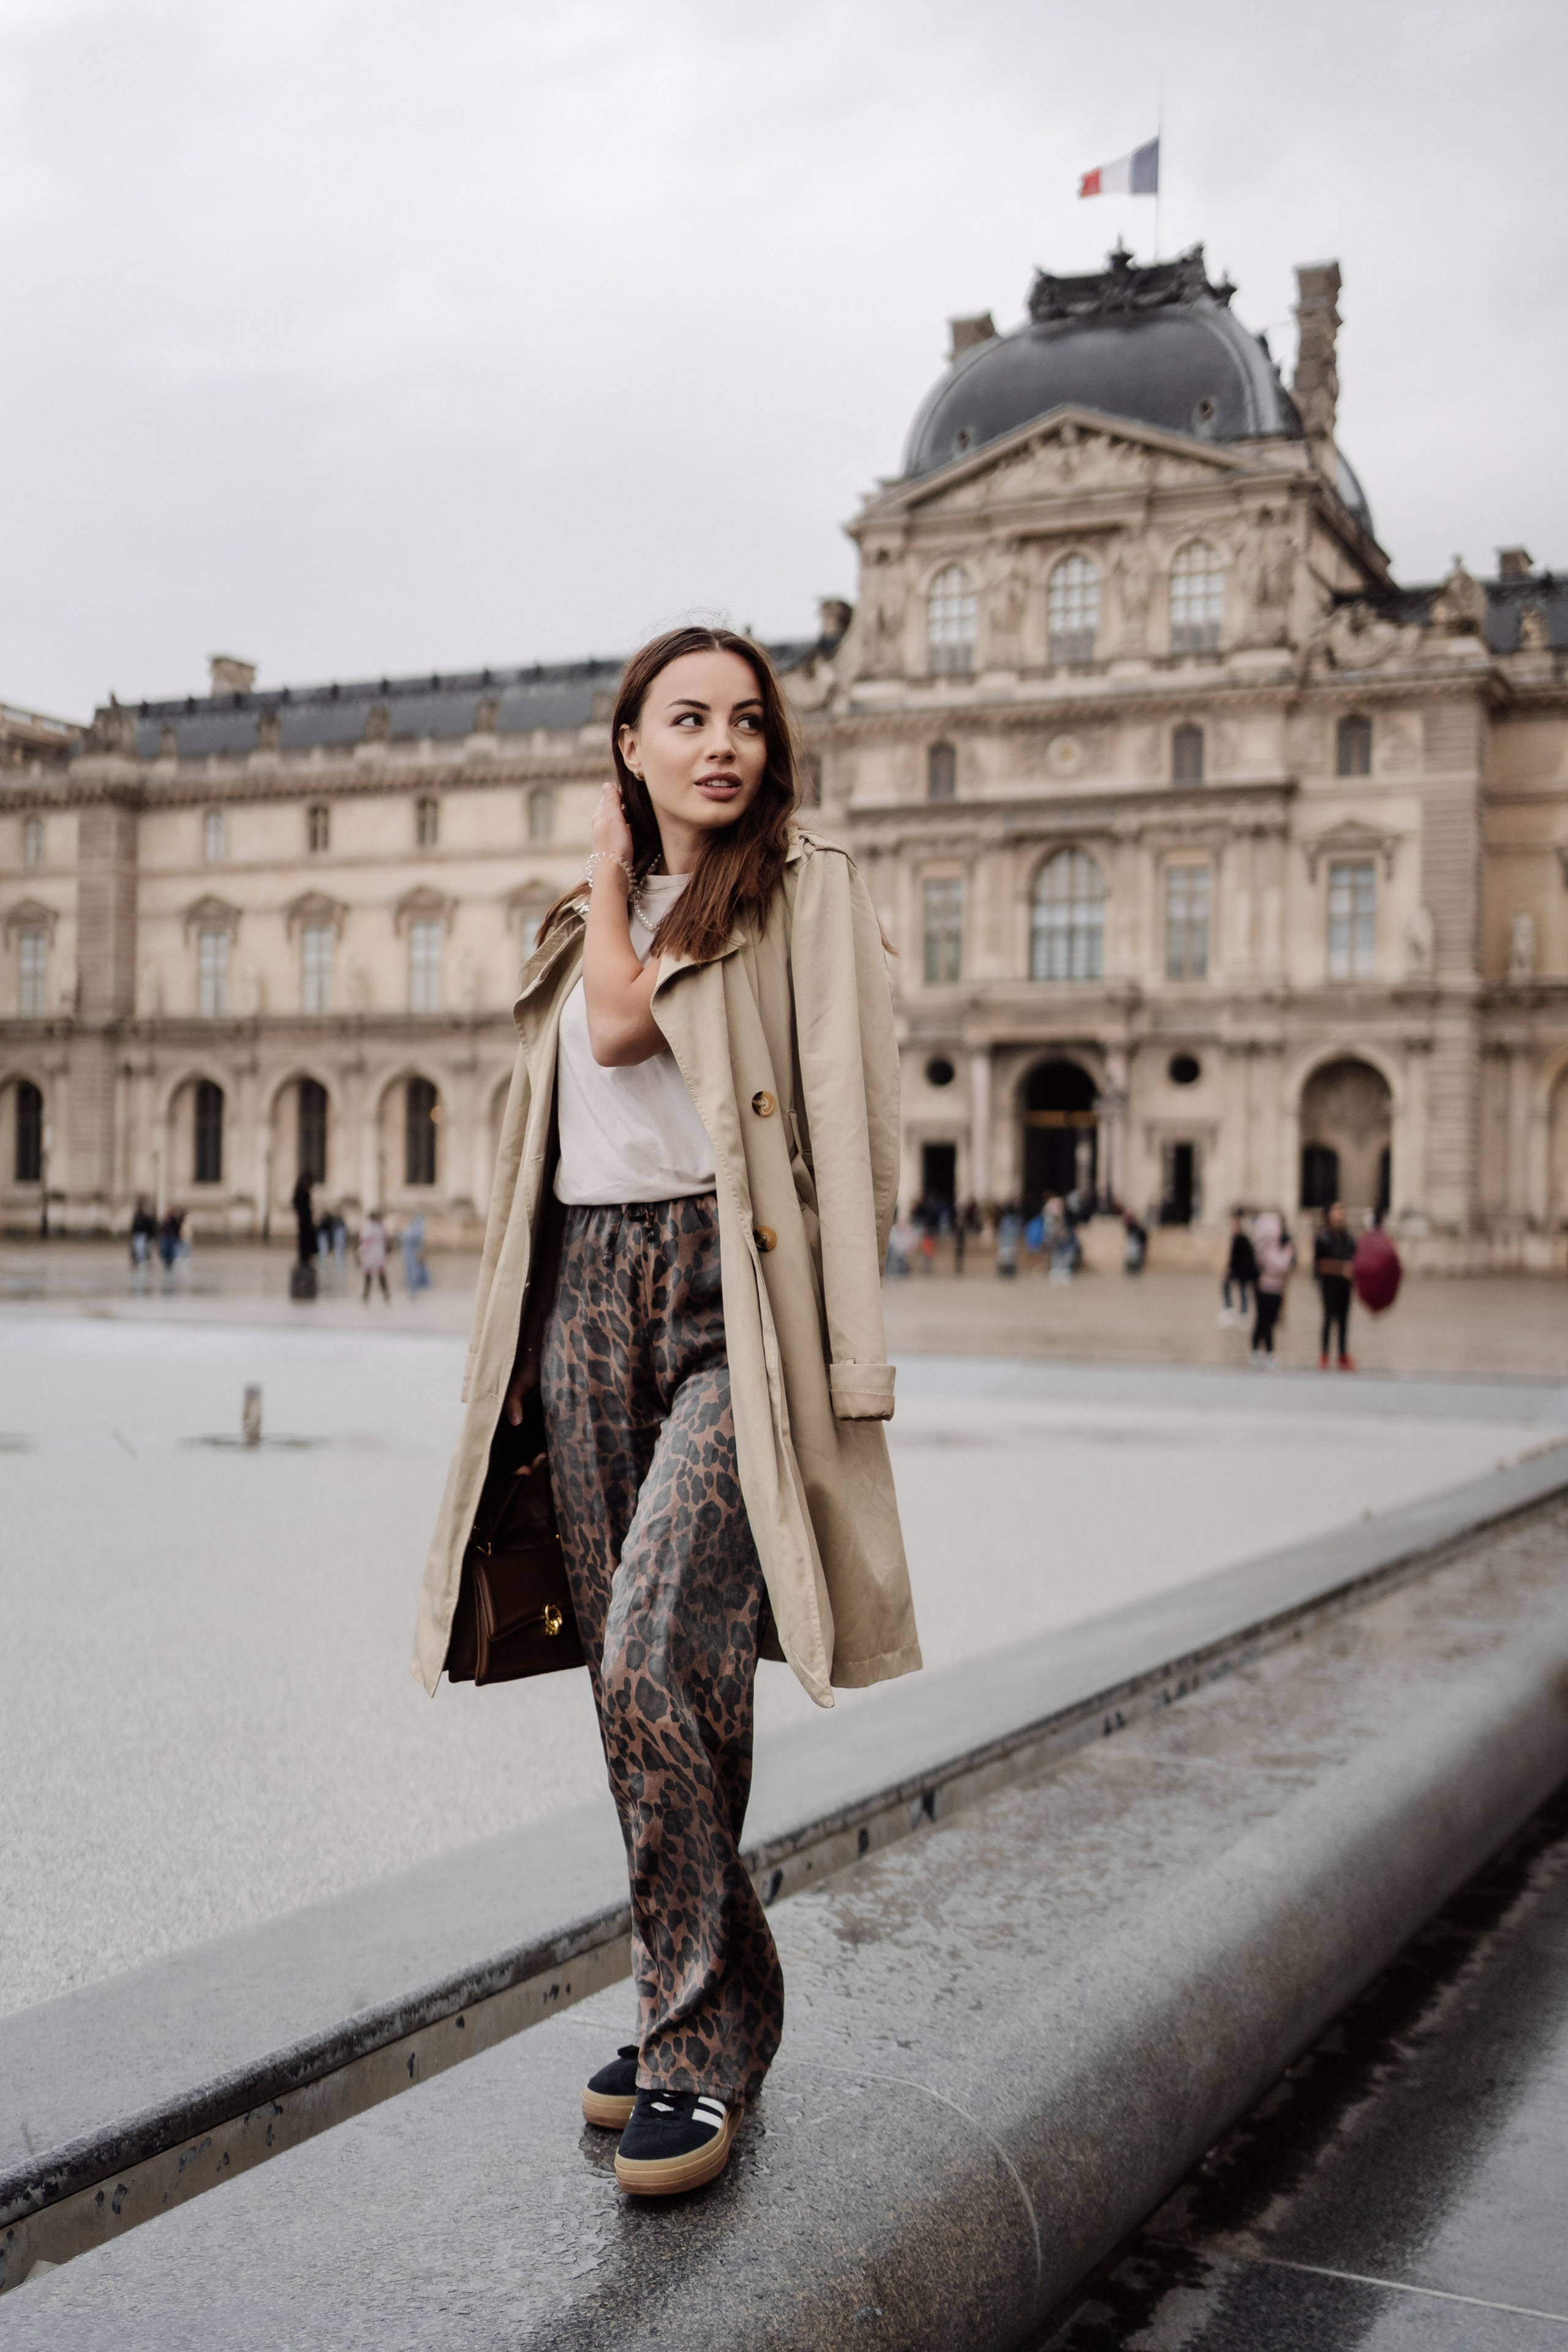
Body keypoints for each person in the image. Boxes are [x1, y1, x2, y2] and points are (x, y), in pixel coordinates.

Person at [412, 625, 919, 2200]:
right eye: (686, 718)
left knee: (644, 1641)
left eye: (747, 722)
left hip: (728, 1294)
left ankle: (709, 2027)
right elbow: (550, 1126)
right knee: (661, 1681)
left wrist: (851, 1361)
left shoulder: (796, 885)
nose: (723, 745)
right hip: (585, 1296)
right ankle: (675, 2002)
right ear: (627, 737)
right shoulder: (581, 918)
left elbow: (825, 1097)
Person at [1314, 1200, 1358, 1370]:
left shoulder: (1348, 1237)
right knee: (1328, 1318)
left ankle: (1342, 1354)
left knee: (1344, 1320)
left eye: (1342, 1211)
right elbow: (1320, 1264)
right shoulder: (1323, 1238)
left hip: (1345, 1285)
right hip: (1329, 1284)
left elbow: (1354, 1258)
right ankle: (1324, 1354)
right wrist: (1342, 1269)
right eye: (1337, 1211)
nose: (1340, 1214)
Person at [1251, 1210, 1295, 1365]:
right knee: (1263, 1320)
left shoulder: (1281, 1246)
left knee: (1271, 1321)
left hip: (1277, 1288)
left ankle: (1268, 1351)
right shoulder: (1266, 1248)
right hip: (1265, 1287)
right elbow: (1279, 1265)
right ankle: (1258, 1350)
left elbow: (1284, 1265)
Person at [1219, 1209, 1256, 1329]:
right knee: (1240, 1289)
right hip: (1241, 1269)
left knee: (1239, 1288)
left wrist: (1231, 1269)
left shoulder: (1241, 1238)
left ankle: (1240, 1312)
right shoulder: (1239, 1238)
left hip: (1242, 1270)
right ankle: (1238, 1311)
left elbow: (1237, 1257)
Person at [358, 1210, 390, 1303]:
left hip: (374, 1254)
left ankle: (382, 1293)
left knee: (376, 1275)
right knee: (373, 1275)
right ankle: (369, 1294)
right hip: (374, 1254)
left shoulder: (372, 1227)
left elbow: (364, 1239)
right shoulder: (378, 1227)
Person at [401, 1210, 431, 1295]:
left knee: (412, 1273)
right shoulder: (418, 1229)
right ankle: (414, 1290)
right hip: (413, 1254)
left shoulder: (408, 1229)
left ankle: (414, 1290)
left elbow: (401, 1240)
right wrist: (422, 1252)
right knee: (414, 1273)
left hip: (409, 1254)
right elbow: (420, 1242)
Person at [292, 1171, 316, 1266]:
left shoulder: (301, 1191)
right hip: (304, 1219)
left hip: (306, 1219)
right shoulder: (301, 1192)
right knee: (305, 1239)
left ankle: (306, 1257)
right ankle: (304, 1257)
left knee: (307, 1239)